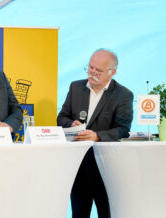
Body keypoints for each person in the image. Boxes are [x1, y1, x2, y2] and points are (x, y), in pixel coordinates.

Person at [57, 49, 133, 218]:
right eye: (90, 67)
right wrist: (71, 124)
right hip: (79, 164)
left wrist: (97, 136)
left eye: (98, 70)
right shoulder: (76, 87)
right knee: (79, 213)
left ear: (112, 72)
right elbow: (61, 117)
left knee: (106, 213)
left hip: (106, 167)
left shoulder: (123, 95)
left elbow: (123, 130)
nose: (92, 73)